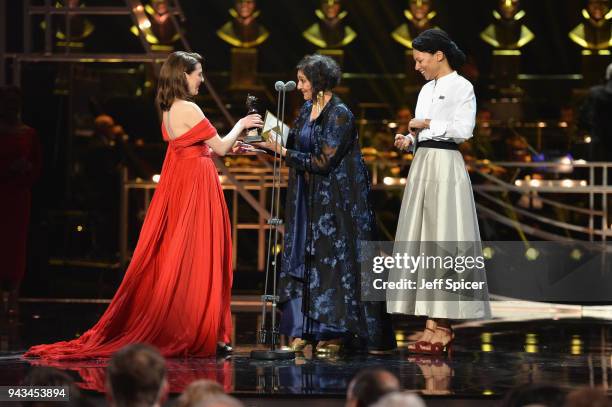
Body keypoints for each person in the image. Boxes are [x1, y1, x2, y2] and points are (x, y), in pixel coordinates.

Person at [24, 51, 262, 359]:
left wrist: (232, 145)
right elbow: (219, 146)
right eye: (198, 74)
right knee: (200, 255)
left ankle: (203, 329)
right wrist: (241, 124)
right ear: (183, 75)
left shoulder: (169, 108)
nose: (202, 80)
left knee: (190, 256)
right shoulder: (189, 107)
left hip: (189, 184)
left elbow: (205, 149)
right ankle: (198, 331)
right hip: (196, 189)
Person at [255, 54, 395, 354]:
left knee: (330, 266)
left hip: (335, 204)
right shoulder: (307, 109)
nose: (300, 87)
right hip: (308, 199)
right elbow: (295, 141)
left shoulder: (340, 114)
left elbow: (323, 161)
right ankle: (305, 329)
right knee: (306, 260)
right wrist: (264, 140)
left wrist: (281, 151)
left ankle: (334, 332)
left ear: (318, 82)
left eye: (303, 81)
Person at [387, 29, 491, 355]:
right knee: (423, 241)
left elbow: (463, 130)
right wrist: (409, 141)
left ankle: (445, 324)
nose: (417, 66)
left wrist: (427, 124)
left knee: (445, 239)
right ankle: (430, 323)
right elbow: (420, 133)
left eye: (420, 60)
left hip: (446, 167)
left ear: (438, 55)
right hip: (423, 164)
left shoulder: (463, 87)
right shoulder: (425, 89)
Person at [0, 86, 42, 318]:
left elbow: (37, 166)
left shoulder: (29, 133)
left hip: (18, 196)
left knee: (15, 243)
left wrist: (25, 171)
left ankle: (11, 295)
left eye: (15, 103)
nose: (11, 107)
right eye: (7, 102)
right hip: (2, 192)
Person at [579, 62, 612, 161]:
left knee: (598, 174)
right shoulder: (595, 93)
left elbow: (583, 119)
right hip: (599, 144)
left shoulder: (595, 93)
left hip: (599, 146)